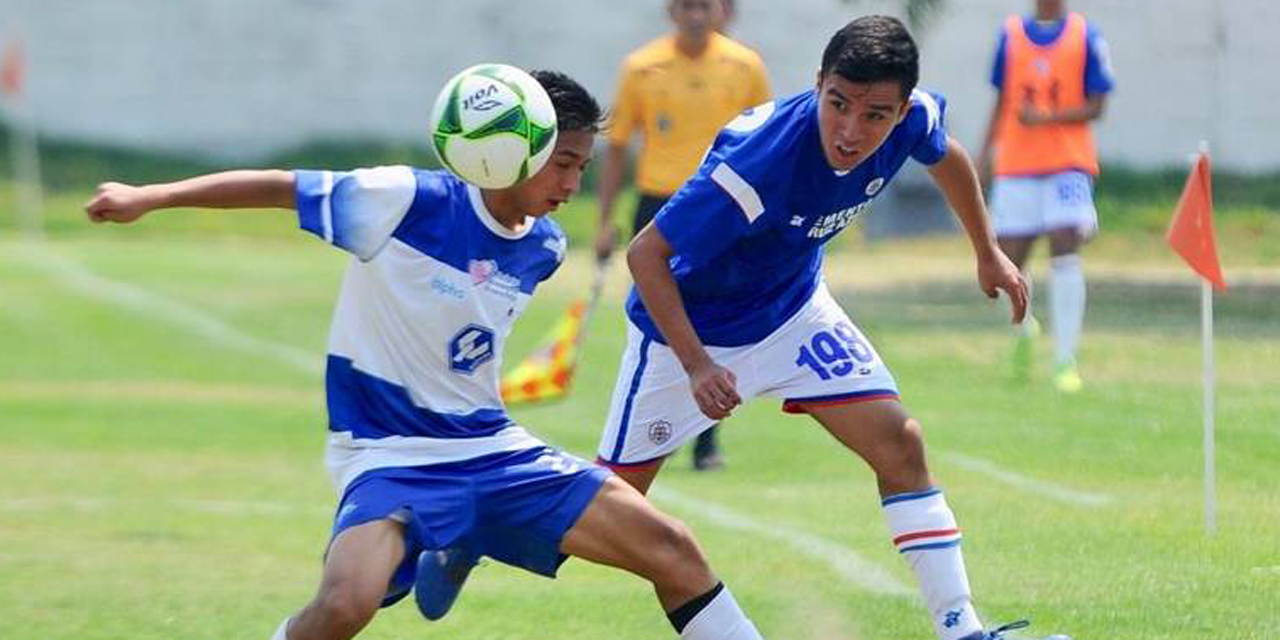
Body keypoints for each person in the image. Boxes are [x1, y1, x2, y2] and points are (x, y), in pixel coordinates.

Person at [85, 70, 766, 640]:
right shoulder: (404, 200)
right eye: (563, 163)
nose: (572, 183)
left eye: (582, 167)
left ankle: (461, 533)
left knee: (674, 549)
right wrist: (150, 197)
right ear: (512, 149)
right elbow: (280, 186)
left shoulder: (544, 248)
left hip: (489, 447)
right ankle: (455, 534)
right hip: (387, 452)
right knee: (346, 605)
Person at [595, 16, 1069, 640]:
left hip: (793, 312)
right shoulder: (760, 163)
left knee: (901, 444)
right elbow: (645, 257)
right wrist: (696, 364)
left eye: (874, 114)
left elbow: (948, 156)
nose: (850, 130)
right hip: (691, 329)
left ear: (900, 111)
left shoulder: (914, 118)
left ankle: (964, 631)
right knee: (607, 512)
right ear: (818, 83)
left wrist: (987, 250)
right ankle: (473, 524)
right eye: (837, 104)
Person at [595, 0, 771, 471]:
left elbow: (768, 145)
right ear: (671, 10)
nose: (695, 14)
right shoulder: (641, 67)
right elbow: (616, 148)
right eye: (686, 5)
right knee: (655, 324)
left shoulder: (745, 66)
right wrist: (604, 221)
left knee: (711, 321)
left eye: (704, 5)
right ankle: (647, 432)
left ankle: (706, 439)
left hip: (721, 207)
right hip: (657, 209)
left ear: (722, 11)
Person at [977, 0, 1115, 393]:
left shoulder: (1085, 35)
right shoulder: (1011, 35)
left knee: (1065, 244)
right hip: (1017, 165)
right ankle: (1025, 330)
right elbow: (1002, 100)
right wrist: (985, 153)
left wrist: (1047, 119)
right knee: (1009, 262)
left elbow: (1097, 105)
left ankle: (1064, 360)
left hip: (1067, 163)